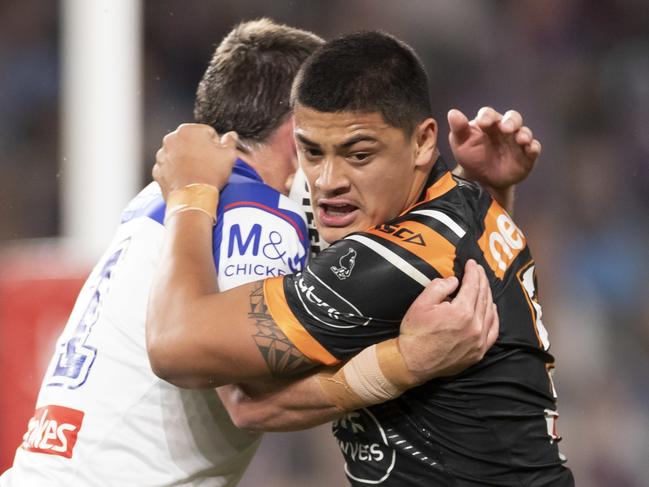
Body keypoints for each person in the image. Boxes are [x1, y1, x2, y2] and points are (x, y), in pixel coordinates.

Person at [0, 20, 510, 487]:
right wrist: (408, 362)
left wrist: (473, 191)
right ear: (300, 131)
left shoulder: (168, 199)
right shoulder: (257, 211)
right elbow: (251, 401)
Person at [148, 31, 574, 486]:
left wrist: (191, 193)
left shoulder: (391, 261)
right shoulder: (469, 201)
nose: (328, 180)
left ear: (424, 142)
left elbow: (179, 346)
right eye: (312, 152)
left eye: (359, 154)